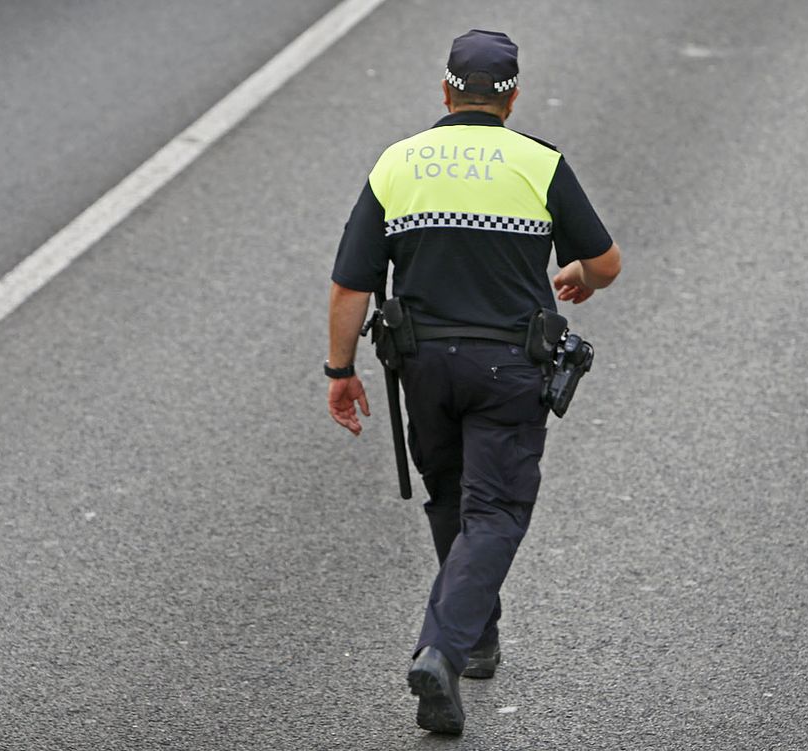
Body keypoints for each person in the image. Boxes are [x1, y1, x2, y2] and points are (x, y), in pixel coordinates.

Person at [324, 29, 621, 735]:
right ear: (512, 97)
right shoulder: (538, 163)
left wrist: (340, 371)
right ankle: (444, 647)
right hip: (509, 367)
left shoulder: (398, 164)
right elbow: (605, 261)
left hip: (423, 365)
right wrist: (576, 273)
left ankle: (476, 638)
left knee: (452, 497)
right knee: (496, 513)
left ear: (446, 91)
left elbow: (349, 286)